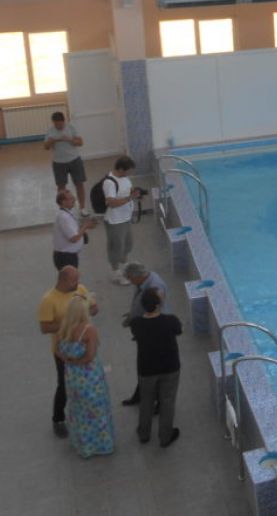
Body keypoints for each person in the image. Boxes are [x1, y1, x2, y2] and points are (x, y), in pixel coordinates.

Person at [37, 265, 98, 438]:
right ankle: (58, 419)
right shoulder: (49, 300)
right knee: (64, 384)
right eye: (74, 280)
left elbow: (94, 308)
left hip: (84, 345)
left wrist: (83, 315)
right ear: (63, 280)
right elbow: (45, 327)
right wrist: (69, 322)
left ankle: (85, 416)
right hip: (63, 351)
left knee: (86, 384)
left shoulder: (81, 289)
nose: (77, 283)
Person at [55, 294, 116, 458]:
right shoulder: (89, 330)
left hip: (72, 377)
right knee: (97, 410)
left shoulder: (63, 328)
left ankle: (84, 446)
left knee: (80, 411)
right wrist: (77, 361)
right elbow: (89, 356)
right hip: (90, 378)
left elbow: (57, 351)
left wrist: (68, 360)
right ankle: (101, 445)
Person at [130, 287, 183, 448]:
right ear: (158, 304)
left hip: (147, 368)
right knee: (167, 401)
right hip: (169, 367)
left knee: (146, 400)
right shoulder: (171, 321)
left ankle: (144, 433)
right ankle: (165, 436)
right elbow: (179, 331)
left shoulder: (136, 324)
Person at [120, 262, 170, 408]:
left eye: (130, 278)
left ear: (137, 276)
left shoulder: (155, 286)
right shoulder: (143, 282)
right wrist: (132, 315)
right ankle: (141, 394)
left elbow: (156, 310)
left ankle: (160, 402)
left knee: (154, 369)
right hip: (144, 332)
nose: (130, 282)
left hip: (154, 335)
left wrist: (138, 322)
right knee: (144, 367)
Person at [102, 155, 141, 285]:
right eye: (128, 171)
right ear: (120, 169)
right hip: (115, 221)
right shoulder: (109, 183)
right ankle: (116, 273)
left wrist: (136, 194)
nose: (130, 173)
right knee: (116, 248)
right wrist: (130, 198)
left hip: (125, 218)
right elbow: (112, 203)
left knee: (127, 244)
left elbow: (128, 192)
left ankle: (125, 268)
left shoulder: (125, 178)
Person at [44, 112, 88, 217]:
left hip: (74, 160)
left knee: (79, 184)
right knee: (61, 187)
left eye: (60, 124)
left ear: (64, 121)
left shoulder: (71, 127)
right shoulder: (50, 130)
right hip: (58, 163)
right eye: (56, 124)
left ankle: (82, 208)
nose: (58, 126)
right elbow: (46, 147)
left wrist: (69, 139)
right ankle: (64, 210)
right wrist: (51, 141)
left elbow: (80, 142)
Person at [51, 188, 94, 270]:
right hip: (66, 257)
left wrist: (84, 226)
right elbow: (73, 238)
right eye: (71, 198)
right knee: (70, 278)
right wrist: (85, 227)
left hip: (69, 256)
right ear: (63, 202)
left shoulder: (67, 213)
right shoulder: (64, 217)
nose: (74, 200)